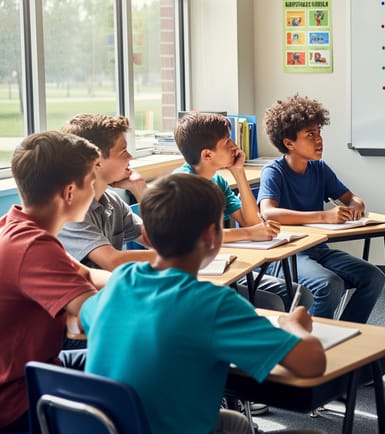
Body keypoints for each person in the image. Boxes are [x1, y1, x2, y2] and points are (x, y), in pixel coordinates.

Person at [81, 173, 326, 434]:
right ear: (212, 235)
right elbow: (312, 363)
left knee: (234, 422)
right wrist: (292, 325)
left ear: (147, 237)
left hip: (116, 426)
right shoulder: (213, 305)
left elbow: (85, 317)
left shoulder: (119, 282)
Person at [0, 132, 109, 432]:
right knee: (140, 368)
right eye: (91, 181)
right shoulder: (33, 248)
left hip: (41, 366)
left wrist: (145, 282)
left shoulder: (16, 225)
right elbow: (96, 316)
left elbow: (87, 275)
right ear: (70, 192)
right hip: (19, 399)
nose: (96, 189)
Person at [258, 96, 385, 323]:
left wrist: (357, 205)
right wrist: (324, 216)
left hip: (318, 249)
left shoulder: (319, 168)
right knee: (329, 284)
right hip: (287, 255)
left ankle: (344, 334)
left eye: (319, 133)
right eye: (310, 135)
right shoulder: (273, 171)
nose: (319, 140)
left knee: (374, 277)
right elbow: (268, 212)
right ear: (289, 143)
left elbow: (351, 198)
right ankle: (316, 344)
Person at [173, 112, 291, 311]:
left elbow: (252, 222)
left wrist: (238, 172)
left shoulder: (217, 180)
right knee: (273, 303)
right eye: (227, 141)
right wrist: (249, 234)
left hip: (222, 266)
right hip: (194, 277)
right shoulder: (181, 185)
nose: (235, 146)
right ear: (207, 155)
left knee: (295, 294)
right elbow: (197, 239)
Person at [58, 114, 157, 270]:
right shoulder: (69, 209)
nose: (130, 156)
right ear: (96, 161)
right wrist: (176, 256)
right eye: (123, 151)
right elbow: (112, 261)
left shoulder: (112, 201)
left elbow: (157, 240)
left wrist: (140, 190)